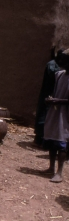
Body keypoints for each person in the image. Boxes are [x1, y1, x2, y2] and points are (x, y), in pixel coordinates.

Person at [42, 49, 69, 183]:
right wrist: (50, 99)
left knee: (61, 142)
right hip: (55, 111)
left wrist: (58, 101)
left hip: (65, 114)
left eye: (64, 60)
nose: (61, 62)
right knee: (52, 138)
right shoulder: (59, 75)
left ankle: (59, 172)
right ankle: (51, 167)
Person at [34, 49, 66, 146]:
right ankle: (40, 139)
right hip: (49, 94)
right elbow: (53, 75)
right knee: (44, 116)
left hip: (56, 94)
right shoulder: (52, 65)